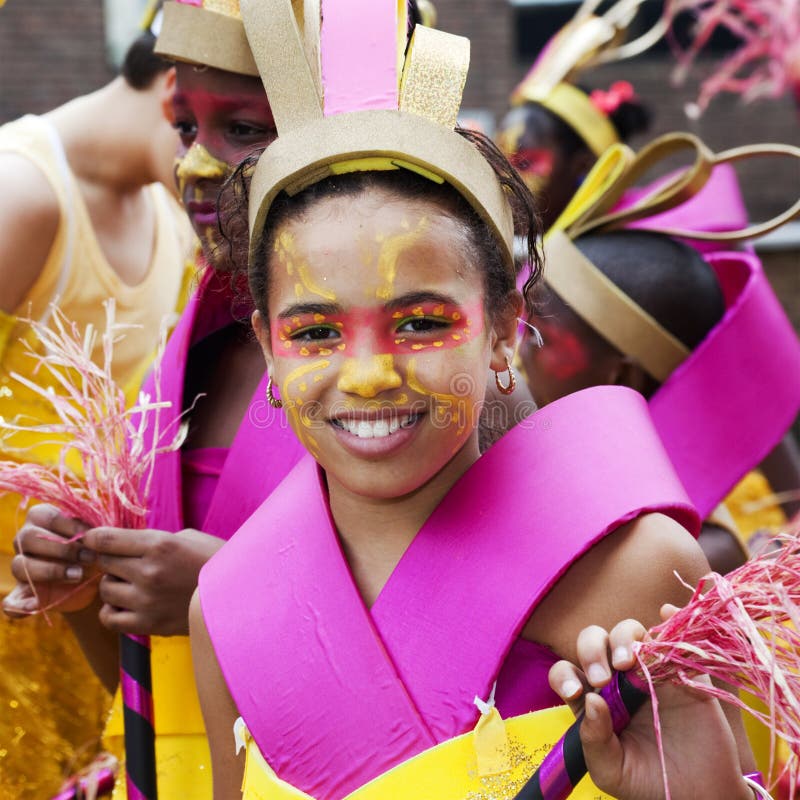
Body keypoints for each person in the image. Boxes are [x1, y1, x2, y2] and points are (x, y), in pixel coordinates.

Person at [190, 2, 756, 798]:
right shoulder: (227, 611)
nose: (367, 375)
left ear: (502, 330)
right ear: (266, 345)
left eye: (421, 322)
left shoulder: (640, 574)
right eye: (315, 332)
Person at [1, 2, 302, 797]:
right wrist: (89, 587)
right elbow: (153, 696)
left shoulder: (397, 365)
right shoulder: (200, 331)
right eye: (184, 127)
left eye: (243, 129)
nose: (194, 165)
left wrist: (221, 590)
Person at [0, 29, 193, 799]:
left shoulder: (173, 216)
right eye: (235, 129)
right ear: (179, 91)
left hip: (83, 610)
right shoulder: (20, 192)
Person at [495, 0, 657, 230]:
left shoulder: (628, 248)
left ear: (583, 167)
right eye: (498, 161)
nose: (502, 180)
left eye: (525, 163)